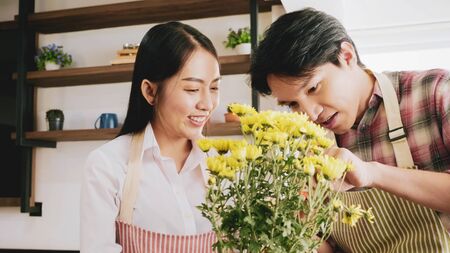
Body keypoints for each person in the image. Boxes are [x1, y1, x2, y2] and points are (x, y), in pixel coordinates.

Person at [250, 7, 450, 252]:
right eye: (292, 104)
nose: (309, 114)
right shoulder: (306, 142)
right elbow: (326, 241)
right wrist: (292, 230)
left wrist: (372, 174)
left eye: (313, 88)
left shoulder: (435, 91)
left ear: (346, 56)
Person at [80, 21, 221, 252]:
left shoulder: (221, 165)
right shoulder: (107, 165)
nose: (207, 104)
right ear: (150, 91)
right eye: (192, 89)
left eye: (214, 88)